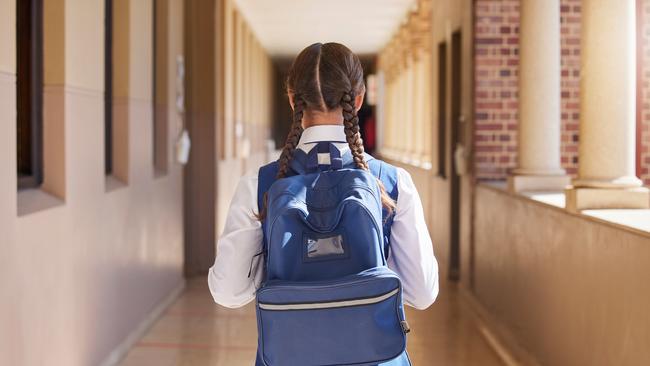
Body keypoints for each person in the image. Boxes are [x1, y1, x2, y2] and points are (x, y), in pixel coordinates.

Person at [208, 42, 439, 364]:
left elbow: (228, 293)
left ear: (292, 100)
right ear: (357, 100)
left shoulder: (259, 184)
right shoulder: (392, 182)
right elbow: (422, 294)